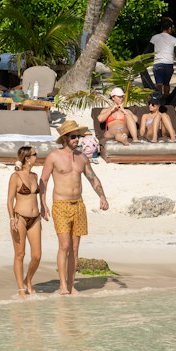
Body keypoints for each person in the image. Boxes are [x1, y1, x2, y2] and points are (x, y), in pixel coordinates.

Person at [39, 119, 109, 296]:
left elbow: (92, 178)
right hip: (60, 205)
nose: (76, 139)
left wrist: (102, 196)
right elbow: (44, 181)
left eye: (78, 136)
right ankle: (63, 285)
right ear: (64, 138)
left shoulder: (82, 158)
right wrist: (43, 204)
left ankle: (71, 284)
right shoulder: (53, 157)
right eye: (73, 137)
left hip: (78, 205)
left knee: (75, 248)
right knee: (64, 245)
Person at [7, 145, 42, 297]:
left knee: (37, 255)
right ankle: (21, 288)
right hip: (19, 217)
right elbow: (9, 200)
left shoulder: (35, 176)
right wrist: (11, 218)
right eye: (34, 154)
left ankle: (28, 279)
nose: (37, 157)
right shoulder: (15, 176)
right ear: (27, 158)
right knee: (20, 254)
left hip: (35, 219)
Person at [148, 17, 176, 93]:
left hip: (158, 64)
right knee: (166, 84)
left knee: (159, 84)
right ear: (169, 28)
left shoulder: (154, 37)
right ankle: (166, 100)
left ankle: (158, 100)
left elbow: (148, 50)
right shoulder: (174, 39)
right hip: (169, 65)